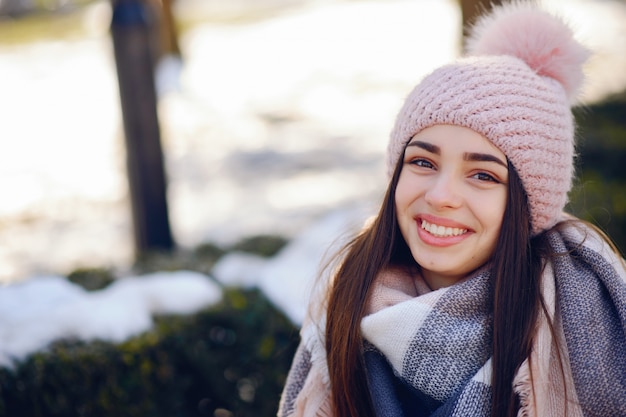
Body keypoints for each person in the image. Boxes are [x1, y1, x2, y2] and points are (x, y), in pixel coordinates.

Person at [278, 2, 626, 417]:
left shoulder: (581, 320)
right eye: (423, 163)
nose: (442, 195)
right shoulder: (347, 302)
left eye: (483, 175)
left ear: (531, 206)